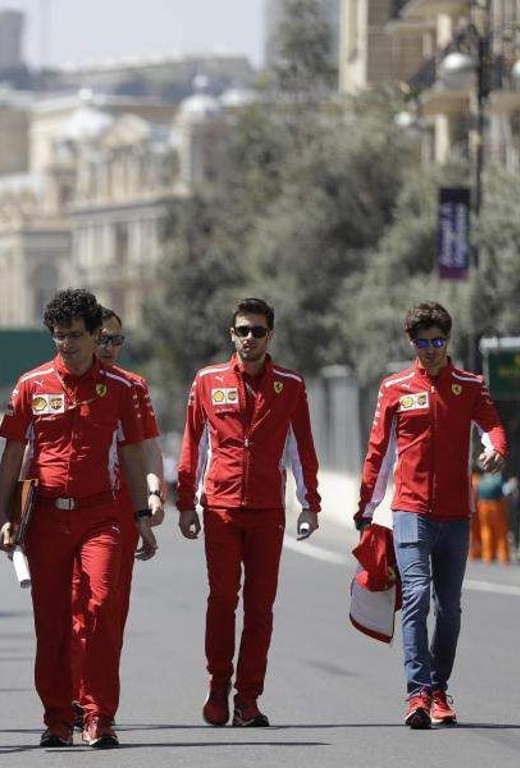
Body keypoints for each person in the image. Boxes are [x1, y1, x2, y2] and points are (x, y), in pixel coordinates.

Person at [0, 288, 157, 749]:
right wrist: (5, 515)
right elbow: (13, 454)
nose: (66, 344)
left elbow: (131, 454)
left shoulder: (121, 388)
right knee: (53, 623)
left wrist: (141, 516)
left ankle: (99, 715)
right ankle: (58, 719)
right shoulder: (31, 386)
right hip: (47, 518)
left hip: (103, 516)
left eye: (75, 336)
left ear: (95, 335)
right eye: (58, 336)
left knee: (102, 608)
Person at [355, 301, 508, 729]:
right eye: (422, 342)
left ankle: (439, 688)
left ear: (448, 340)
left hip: (457, 515)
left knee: (450, 607)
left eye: (437, 340)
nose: (430, 349)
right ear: (411, 343)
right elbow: (377, 454)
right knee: (417, 596)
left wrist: (495, 450)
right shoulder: (395, 388)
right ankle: (417, 692)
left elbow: (493, 427)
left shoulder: (470, 385)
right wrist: (366, 509)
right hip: (410, 511)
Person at [176, 297, 321, 728]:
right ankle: (218, 687)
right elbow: (192, 446)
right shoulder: (207, 380)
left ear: (270, 336)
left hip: (267, 511)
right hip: (220, 507)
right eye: (243, 330)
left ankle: (248, 699)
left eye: (258, 331)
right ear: (231, 335)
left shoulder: (290, 385)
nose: (250, 339)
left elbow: (302, 449)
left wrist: (310, 504)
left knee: (260, 608)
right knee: (222, 601)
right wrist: (186, 502)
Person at [70, 306, 165, 727]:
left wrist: (153, 494)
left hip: (120, 513)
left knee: (106, 607)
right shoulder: (63, 382)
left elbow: (147, 447)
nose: (109, 347)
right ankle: (75, 695)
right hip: (69, 510)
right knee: (72, 610)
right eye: (103, 339)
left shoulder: (132, 386)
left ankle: (97, 700)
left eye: (116, 341)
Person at [473, 468, 510, 564]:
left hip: (482, 506)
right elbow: (505, 491)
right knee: (500, 531)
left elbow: (477, 491)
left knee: (486, 530)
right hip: (496, 506)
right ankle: (503, 556)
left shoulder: (482, 479)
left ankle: (488, 555)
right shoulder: (498, 478)